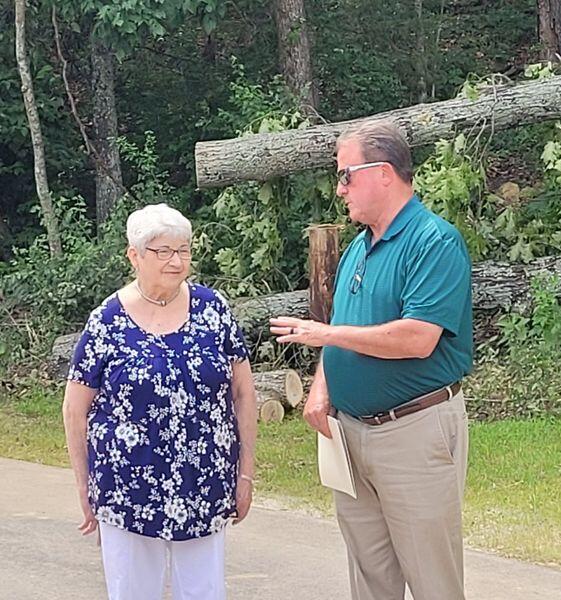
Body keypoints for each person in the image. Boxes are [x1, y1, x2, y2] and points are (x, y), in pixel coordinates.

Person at [270, 121, 473, 600]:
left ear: (383, 173)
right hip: (350, 432)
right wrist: (321, 388)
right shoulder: (360, 247)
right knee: (369, 579)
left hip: (413, 433)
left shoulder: (433, 242)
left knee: (432, 580)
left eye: (346, 176)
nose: (339, 189)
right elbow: (345, 321)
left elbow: (418, 338)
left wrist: (325, 334)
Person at [63, 203, 257, 600]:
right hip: (127, 487)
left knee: (204, 592)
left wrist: (246, 473)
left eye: (183, 250)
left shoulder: (212, 309)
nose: (176, 260)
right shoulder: (107, 321)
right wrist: (85, 487)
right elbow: (74, 408)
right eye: (163, 251)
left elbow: (243, 393)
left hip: (204, 482)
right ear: (134, 256)